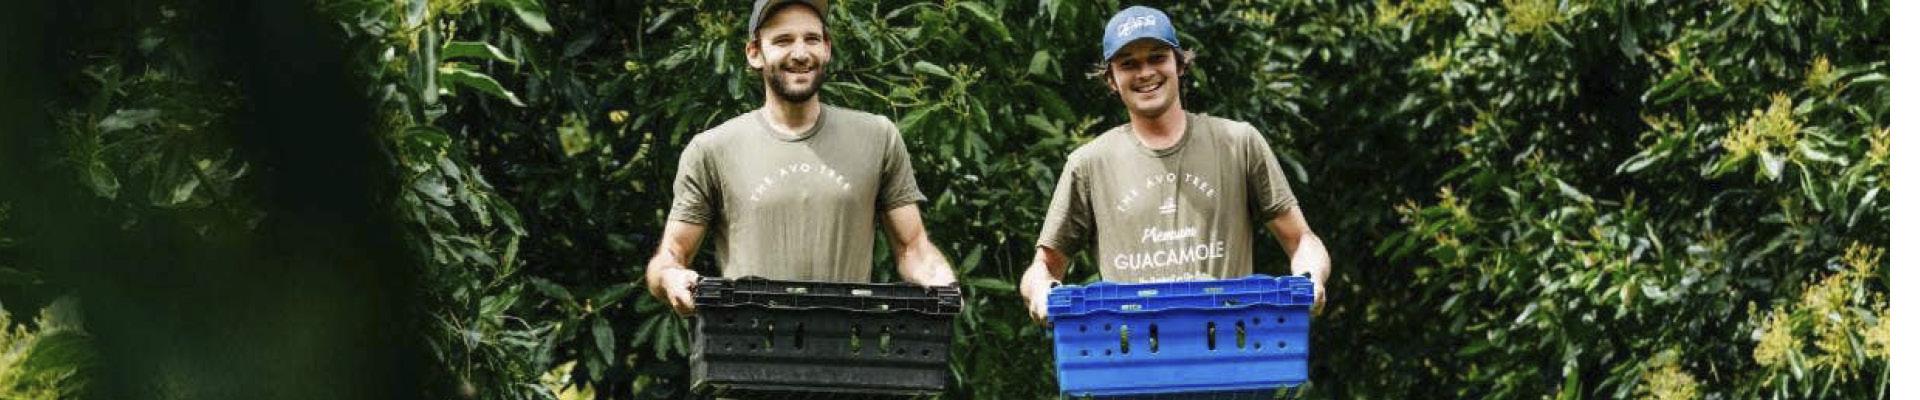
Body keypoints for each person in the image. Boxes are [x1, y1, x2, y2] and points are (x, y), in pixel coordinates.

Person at [1018, 5, 1331, 324]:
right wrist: (1043, 291)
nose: (1145, 73)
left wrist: (1310, 278)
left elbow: (1302, 240)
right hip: (1131, 360)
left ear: (1179, 64)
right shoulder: (1089, 164)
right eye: (1129, 64)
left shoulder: (1237, 143)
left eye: (1157, 57)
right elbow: (1042, 267)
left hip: (1229, 356)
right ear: (1112, 79)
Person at [645, 0, 957, 316]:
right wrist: (671, 276)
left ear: (827, 49)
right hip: (745, 352)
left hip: (849, 353)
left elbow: (912, 247)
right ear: (754, 53)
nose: (800, 53)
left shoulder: (878, 137)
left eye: (811, 39)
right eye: (783, 40)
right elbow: (673, 253)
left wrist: (942, 283)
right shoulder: (712, 149)